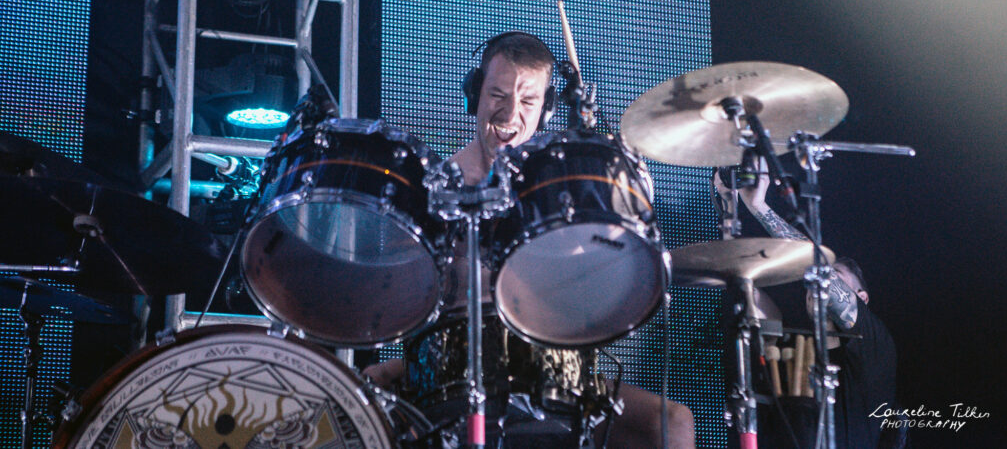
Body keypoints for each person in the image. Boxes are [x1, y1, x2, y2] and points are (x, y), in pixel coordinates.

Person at [367, 31, 695, 449]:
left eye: (527, 101)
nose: (510, 114)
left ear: (546, 109)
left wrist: (617, 192)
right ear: (475, 94)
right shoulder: (436, 187)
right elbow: (399, 298)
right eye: (497, 95)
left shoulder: (559, 189)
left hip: (555, 367)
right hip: (457, 367)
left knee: (673, 423)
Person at [714, 163, 902, 449]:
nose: (812, 282)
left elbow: (819, 271)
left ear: (861, 298)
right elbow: (742, 282)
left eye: (837, 274)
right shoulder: (791, 344)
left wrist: (759, 206)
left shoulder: (874, 343)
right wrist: (731, 207)